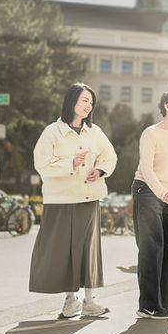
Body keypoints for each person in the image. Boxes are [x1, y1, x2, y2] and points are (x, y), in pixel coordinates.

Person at [30, 83, 117, 318]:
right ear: (71, 102)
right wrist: (71, 163)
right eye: (84, 100)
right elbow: (42, 164)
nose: (89, 105)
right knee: (64, 252)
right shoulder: (52, 132)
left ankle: (90, 301)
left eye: (91, 102)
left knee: (89, 250)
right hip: (61, 201)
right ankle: (70, 301)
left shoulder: (95, 132)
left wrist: (99, 170)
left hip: (89, 198)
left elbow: (110, 156)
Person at [132, 90, 168, 319]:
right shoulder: (151, 133)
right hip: (147, 190)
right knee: (151, 248)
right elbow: (146, 168)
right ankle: (148, 306)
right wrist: (162, 192)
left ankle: (165, 303)